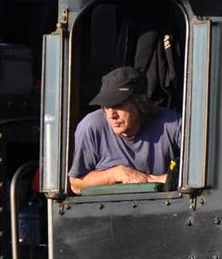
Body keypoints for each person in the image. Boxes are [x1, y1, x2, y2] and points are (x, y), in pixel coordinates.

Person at [68, 66, 181, 195]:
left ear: (141, 104)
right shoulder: (91, 126)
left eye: (118, 105)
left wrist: (158, 180)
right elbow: (76, 185)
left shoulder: (171, 123)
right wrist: (116, 174)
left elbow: (198, 173)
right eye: (106, 106)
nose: (111, 115)